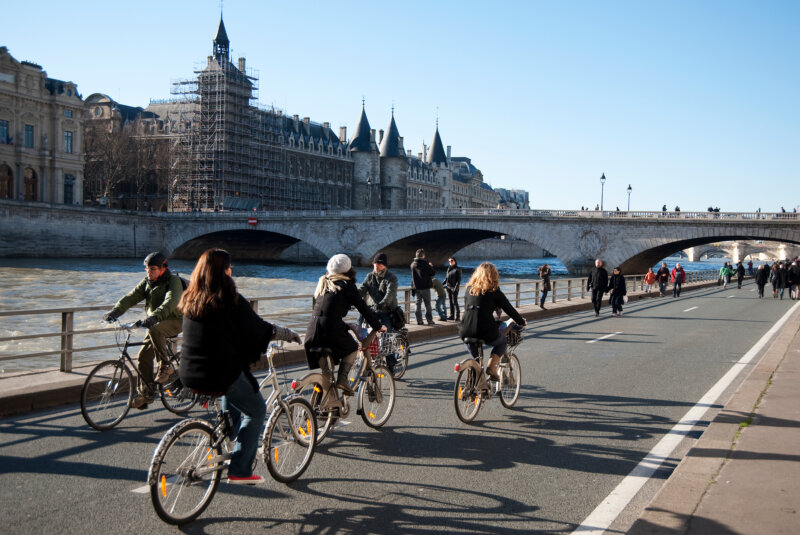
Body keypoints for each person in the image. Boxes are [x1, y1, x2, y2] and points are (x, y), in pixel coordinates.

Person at [178, 249, 301, 485]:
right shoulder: (229, 299)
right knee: (256, 410)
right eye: (229, 267)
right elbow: (259, 328)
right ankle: (240, 469)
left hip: (190, 372)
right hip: (219, 373)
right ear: (224, 271)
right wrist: (287, 334)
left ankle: (232, 431)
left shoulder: (190, 298)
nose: (231, 270)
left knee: (234, 393)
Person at [103, 252, 184, 409]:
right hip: (156, 322)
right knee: (143, 357)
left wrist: (154, 316)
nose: (149, 272)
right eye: (147, 269)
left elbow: (171, 302)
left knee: (156, 330)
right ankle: (146, 394)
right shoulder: (146, 283)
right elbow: (130, 297)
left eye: (153, 269)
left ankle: (165, 366)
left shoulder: (173, 281)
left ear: (162, 268)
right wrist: (115, 312)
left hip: (175, 320)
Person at [305, 254, 386, 396]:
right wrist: (378, 325)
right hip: (330, 329)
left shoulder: (323, 282)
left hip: (312, 331)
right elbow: (363, 308)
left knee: (327, 374)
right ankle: (342, 379)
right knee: (353, 348)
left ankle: (327, 407)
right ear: (349, 269)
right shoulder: (346, 285)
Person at [458, 262, 527, 382]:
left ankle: (476, 384)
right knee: (502, 342)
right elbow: (509, 309)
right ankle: (491, 367)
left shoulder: (469, 289)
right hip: (485, 330)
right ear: (494, 276)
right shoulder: (494, 291)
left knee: (477, 362)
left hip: (465, 330)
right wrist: (521, 321)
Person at [358, 252, 398, 329]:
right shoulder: (369, 276)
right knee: (360, 321)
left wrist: (382, 304)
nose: (377, 266)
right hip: (372, 307)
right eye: (376, 263)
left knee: (385, 331)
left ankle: (385, 338)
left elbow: (390, 293)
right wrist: (352, 298)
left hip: (386, 309)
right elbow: (362, 288)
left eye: (380, 264)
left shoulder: (391, 277)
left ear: (384, 266)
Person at [410, 249, 436, 325]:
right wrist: (431, 266)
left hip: (416, 287)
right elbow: (432, 273)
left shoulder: (412, 264)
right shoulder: (425, 264)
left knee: (417, 304)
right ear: (423, 255)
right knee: (427, 304)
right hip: (425, 287)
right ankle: (429, 320)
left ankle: (419, 321)